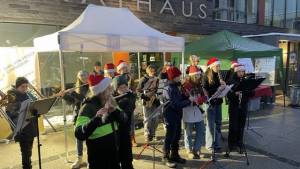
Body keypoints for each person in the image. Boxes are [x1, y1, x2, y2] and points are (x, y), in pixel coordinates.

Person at [74, 74, 127, 169]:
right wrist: (96, 118)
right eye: (108, 87)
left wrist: (115, 112)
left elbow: (124, 120)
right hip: (98, 160)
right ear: (101, 92)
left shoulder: (111, 101)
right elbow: (79, 134)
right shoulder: (87, 108)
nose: (111, 89)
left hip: (114, 157)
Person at [162, 66, 191, 168]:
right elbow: (175, 104)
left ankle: (174, 154)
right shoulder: (168, 88)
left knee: (177, 136)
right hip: (170, 116)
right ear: (173, 77)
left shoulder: (175, 86)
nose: (180, 77)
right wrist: (189, 101)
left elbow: (178, 98)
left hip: (177, 115)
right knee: (169, 137)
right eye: (178, 76)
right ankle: (165, 157)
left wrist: (186, 96)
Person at [5, 77, 37, 169]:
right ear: (17, 87)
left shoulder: (27, 94)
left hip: (31, 126)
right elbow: (10, 113)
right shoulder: (12, 96)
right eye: (23, 87)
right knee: (25, 152)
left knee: (29, 151)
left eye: (26, 86)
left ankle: (28, 166)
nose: (25, 89)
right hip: (22, 129)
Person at [227, 64, 254, 153]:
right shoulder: (231, 81)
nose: (241, 73)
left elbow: (252, 94)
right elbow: (228, 96)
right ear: (236, 71)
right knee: (233, 126)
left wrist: (250, 89)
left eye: (243, 71)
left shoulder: (246, 80)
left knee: (241, 126)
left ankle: (239, 143)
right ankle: (231, 144)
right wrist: (235, 94)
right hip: (234, 106)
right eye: (239, 71)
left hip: (243, 105)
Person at [112, 75, 136, 169]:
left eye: (125, 87)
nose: (123, 89)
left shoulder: (130, 97)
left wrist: (114, 105)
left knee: (127, 159)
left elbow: (126, 115)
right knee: (115, 159)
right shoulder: (111, 98)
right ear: (116, 89)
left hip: (125, 131)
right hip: (113, 133)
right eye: (120, 87)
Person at [202, 57, 226, 153]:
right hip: (210, 103)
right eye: (217, 66)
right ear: (211, 66)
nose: (218, 68)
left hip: (218, 102)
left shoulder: (219, 75)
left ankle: (217, 144)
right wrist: (218, 89)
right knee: (210, 125)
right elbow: (205, 91)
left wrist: (224, 87)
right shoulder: (205, 76)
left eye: (219, 66)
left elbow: (221, 88)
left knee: (218, 124)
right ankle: (210, 146)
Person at [182, 66, 206, 159]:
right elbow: (183, 98)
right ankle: (189, 150)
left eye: (198, 76)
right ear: (192, 76)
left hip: (198, 110)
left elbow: (204, 96)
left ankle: (197, 149)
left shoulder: (199, 85)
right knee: (188, 133)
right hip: (188, 111)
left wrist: (202, 99)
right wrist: (190, 99)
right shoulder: (185, 85)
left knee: (201, 130)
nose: (198, 78)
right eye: (196, 76)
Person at [69, 70, 89, 169]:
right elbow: (72, 102)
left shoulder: (91, 87)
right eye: (81, 76)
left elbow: (85, 99)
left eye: (85, 75)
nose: (83, 77)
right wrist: (64, 95)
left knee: (89, 138)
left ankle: (90, 160)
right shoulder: (77, 87)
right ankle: (79, 159)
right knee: (78, 139)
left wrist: (73, 94)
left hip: (88, 115)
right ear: (78, 77)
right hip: (77, 116)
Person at [137, 65, 160, 142]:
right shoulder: (143, 79)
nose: (153, 73)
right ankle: (147, 135)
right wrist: (143, 96)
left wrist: (157, 97)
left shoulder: (156, 79)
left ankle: (153, 134)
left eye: (154, 71)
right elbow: (138, 91)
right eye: (151, 71)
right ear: (148, 71)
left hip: (154, 100)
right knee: (147, 119)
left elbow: (157, 89)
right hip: (146, 101)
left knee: (156, 119)